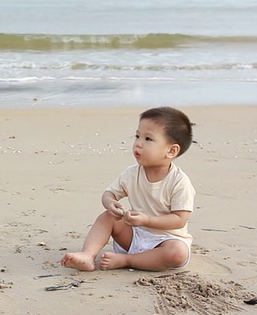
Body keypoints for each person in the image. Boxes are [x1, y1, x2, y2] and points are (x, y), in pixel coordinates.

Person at [60, 106, 195, 272]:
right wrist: (110, 203)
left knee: (177, 253)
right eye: (137, 136)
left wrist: (147, 221)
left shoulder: (179, 182)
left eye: (148, 139)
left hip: (166, 239)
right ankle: (88, 255)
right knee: (107, 217)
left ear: (171, 151)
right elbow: (109, 194)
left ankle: (128, 260)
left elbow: (179, 219)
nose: (138, 143)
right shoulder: (131, 174)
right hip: (135, 235)